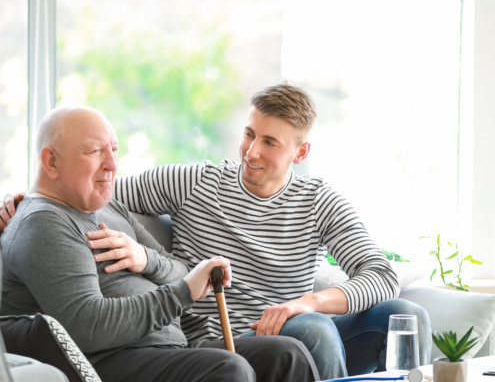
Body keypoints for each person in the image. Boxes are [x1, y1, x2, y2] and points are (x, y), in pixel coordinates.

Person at [1, 85, 432, 380]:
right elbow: (78, 190)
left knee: (405, 317)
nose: (252, 151)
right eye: (249, 134)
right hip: (212, 335)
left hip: (283, 324)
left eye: (270, 142)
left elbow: (379, 271)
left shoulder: (318, 200)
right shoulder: (194, 182)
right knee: (313, 332)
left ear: (301, 152)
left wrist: (307, 302)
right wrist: (24, 199)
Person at [0, 106, 319, 382]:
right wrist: (183, 292)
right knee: (227, 369)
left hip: (169, 347)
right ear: (51, 162)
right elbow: (89, 325)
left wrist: (145, 259)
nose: (112, 164)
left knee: (288, 355)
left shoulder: (108, 207)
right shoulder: (42, 223)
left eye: (114, 149)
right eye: (95, 151)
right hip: (108, 362)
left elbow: (179, 269)